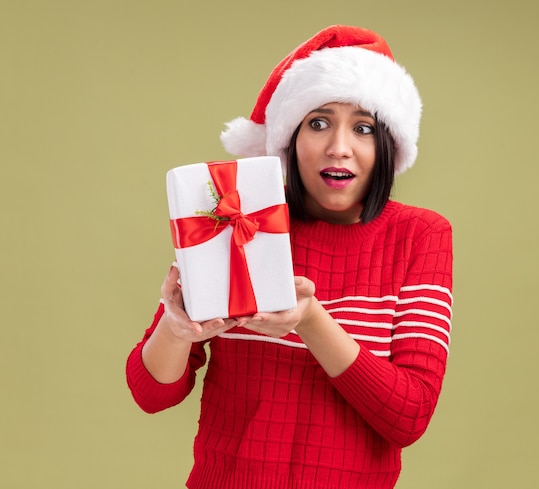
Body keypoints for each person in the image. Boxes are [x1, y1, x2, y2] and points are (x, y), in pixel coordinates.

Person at [126, 25, 453, 489]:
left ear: (387, 144)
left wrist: (311, 320)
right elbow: (150, 393)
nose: (338, 146)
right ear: (290, 139)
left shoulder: (420, 235)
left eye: (363, 127)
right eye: (318, 122)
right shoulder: (239, 214)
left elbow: (409, 416)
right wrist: (176, 329)